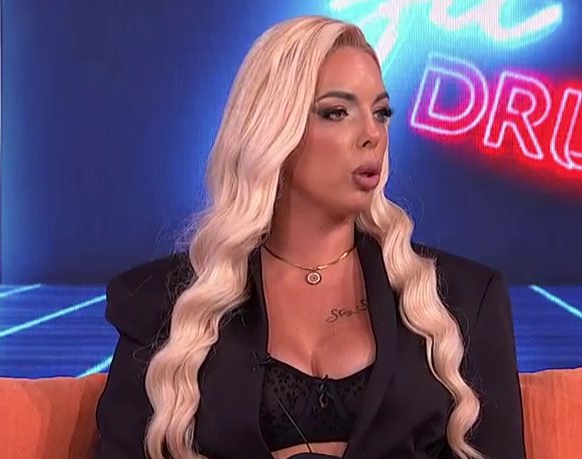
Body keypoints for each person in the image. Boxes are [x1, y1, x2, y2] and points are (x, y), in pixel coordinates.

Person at [94, 15, 526, 459]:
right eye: (337, 112)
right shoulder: (165, 306)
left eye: (381, 113)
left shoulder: (463, 300)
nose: (372, 135)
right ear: (271, 130)